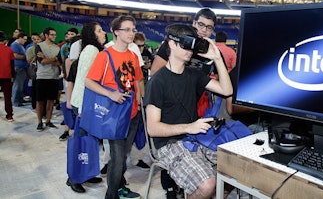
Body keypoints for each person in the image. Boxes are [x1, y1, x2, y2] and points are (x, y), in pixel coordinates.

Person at [144, 24, 233, 199]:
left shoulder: (194, 74)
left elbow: (227, 90)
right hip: (168, 144)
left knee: (235, 168)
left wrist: (217, 58)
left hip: (195, 137)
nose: (190, 50)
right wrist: (189, 127)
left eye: (192, 44)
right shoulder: (157, 81)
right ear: (171, 44)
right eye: (186, 44)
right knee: (207, 184)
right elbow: (152, 128)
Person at [85, 15, 143, 199]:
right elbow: (88, 81)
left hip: (132, 113)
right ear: (116, 32)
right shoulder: (105, 55)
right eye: (127, 29)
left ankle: (119, 186)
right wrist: (110, 94)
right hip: (114, 114)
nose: (131, 33)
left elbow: (138, 80)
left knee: (124, 155)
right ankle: (111, 195)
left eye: (133, 29)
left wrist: (140, 101)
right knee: (117, 158)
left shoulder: (133, 55)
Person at [64, 22, 106, 192]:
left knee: (88, 141)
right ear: (92, 34)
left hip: (86, 103)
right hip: (83, 104)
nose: (104, 33)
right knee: (80, 142)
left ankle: (85, 173)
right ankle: (73, 177)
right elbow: (85, 79)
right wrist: (82, 107)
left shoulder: (92, 49)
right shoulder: (92, 50)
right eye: (100, 31)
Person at [35, 27, 62, 131]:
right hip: (42, 76)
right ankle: (39, 122)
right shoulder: (39, 46)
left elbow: (59, 62)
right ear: (46, 35)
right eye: (52, 35)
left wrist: (48, 58)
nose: (54, 36)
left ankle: (48, 120)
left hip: (54, 77)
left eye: (55, 35)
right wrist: (54, 59)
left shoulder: (57, 48)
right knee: (40, 100)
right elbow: (41, 61)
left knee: (51, 100)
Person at [10, 32, 29, 106]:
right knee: (17, 85)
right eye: (24, 39)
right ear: (20, 38)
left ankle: (20, 99)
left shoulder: (20, 45)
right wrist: (26, 57)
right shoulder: (15, 45)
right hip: (18, 68)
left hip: (22, 67)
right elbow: (14, 55)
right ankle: (15, 101)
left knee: (21, 85)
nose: (25, 41)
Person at [0, 31, 15, 121]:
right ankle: (9, 115)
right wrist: (12, 75)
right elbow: (12, 64)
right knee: (7, 97)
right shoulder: (9, 49)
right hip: (6, 76)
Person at [26, 33, 42, 112]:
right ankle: (34, 105)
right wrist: (37, 56)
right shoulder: (30, 49)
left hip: (43, 71)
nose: (36, 41)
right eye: (34, 39)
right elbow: (29, 61)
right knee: (34, 88)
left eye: (37, 39)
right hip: (34, 71)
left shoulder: (43, 48)